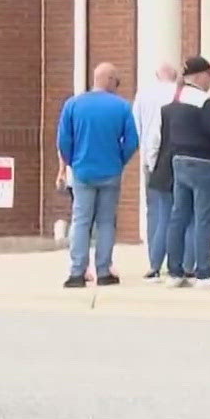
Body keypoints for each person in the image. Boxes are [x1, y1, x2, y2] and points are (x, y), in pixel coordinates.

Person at [160, 56, 210, 288]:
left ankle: (175, 272)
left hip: (179, 161)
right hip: (204, 163)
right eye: (208, 74)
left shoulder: (173, 99)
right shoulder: (203, 101)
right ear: (197, 76)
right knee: (204, 219)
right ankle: (205, 272)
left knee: (179, 217)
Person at [56, 62, 138, 287]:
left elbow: (63, 140)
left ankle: (77, 272)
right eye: (117, 81)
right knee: (106, 222)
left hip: (83, 171)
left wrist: (72, 162)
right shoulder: (121, 107)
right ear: (110, 79)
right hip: (110, 170)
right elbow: (132, 141)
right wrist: (119, 160)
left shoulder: (73, 104)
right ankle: (103, 271)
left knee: (81, 221)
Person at [131, 61, 179, 280]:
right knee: (176, 211)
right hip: (175, 155)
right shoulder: (179, 94)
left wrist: (146, 157)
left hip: (151, 158)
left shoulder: (144, 94)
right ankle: (175, 260)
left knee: (155, 211)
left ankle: (154, 261)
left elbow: (136, 127)